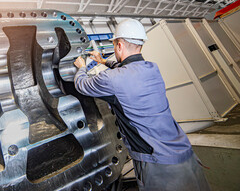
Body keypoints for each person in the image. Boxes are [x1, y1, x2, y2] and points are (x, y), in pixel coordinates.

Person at [73, 18, 210, 191]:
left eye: (115, 44)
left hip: (160, 167)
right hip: (185, 155)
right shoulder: (152, 69)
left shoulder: (112, 79)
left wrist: (81, 68)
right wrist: (103, 61)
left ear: (120, 45)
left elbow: (82, 85)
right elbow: (125, 71)